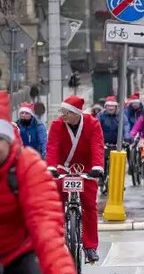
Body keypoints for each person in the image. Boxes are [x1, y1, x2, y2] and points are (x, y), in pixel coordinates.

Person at [0, 91, 76, 274]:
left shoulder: (26, 166)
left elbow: (47, 229)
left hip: (18, 255)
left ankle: (89, 246)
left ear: (8, 140)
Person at [46, 95, 105, 263]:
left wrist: (97, 168)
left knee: (89, 206)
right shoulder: (57, 125)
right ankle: (55, 241)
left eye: (66, 112)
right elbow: (53, 146)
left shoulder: (92, 124)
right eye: (62, 112)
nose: (62, 115)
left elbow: (97, 145)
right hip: (62, 168)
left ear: (76, 113)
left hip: (86, 170)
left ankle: (90, 247)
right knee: (54, 202)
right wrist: (51, 167)